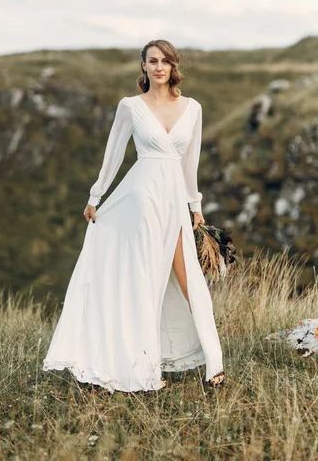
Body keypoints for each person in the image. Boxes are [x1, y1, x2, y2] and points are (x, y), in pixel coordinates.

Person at [43, 39, 224, 392]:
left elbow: (190, 166)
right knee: (145, 282)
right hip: (140, 201)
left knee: (191, 283)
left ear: (173, 67)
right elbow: (113, 156)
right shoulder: (130, 107)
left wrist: (196, 207)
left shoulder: (193, 109)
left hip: (174, 204)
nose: (159, 67)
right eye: (152, 61)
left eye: (165, 61)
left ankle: (214, 365)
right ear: (143, 67)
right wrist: (96, 196)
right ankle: (142, 370)